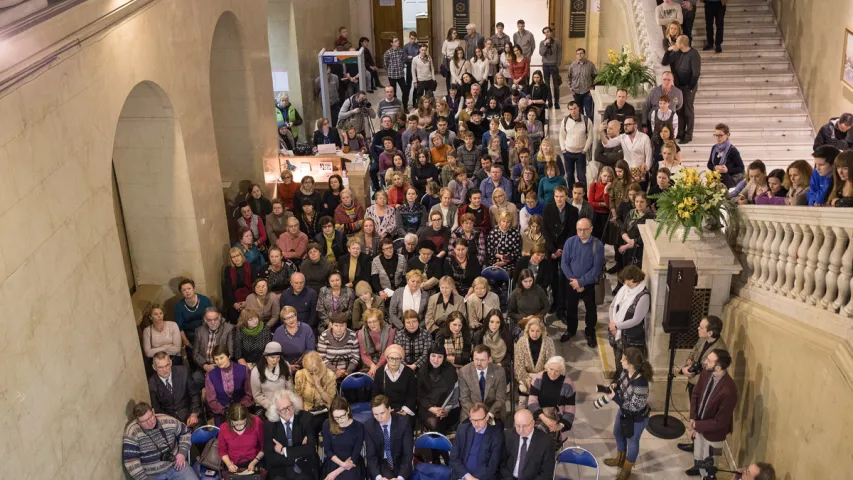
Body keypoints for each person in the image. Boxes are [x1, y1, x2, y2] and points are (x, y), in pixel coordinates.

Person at [674, 316, 728, 452]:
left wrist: (687, 371)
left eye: (701, 327)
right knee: (694, 414)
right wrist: (688, 364)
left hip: (704, 389)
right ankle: (694, 443)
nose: (698, 328)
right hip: (694, 384)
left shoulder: (720, 350)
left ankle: (699, 447)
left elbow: (709, 372)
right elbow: (693, 352)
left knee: (701, 418)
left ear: (710, 333)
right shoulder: (703, 339)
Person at [601, 347, 654, 480]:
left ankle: (627, 469)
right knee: (617, 433)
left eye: (623, 359)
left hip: (637, 418)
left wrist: (615, 397)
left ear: (631, 363)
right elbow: (620, 382)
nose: (620, 360)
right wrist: (615, 385)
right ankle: (620, 459)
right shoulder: (626, 371)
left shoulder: (641, 384)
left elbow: (634, 407)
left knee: (632, 441)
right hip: (624, 412)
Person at [687, 349, 738, 479]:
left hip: (714, 435)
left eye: (709, 361)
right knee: (698, 454)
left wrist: (696, 425)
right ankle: (700, 471)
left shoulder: (729, 390)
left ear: (719, 367)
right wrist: (693, 418)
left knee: (710, 464)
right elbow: (696, 394)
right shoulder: (706, 372)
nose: (705, 362)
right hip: (699, 425)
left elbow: (720, 422)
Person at [560, 218, 605, 345]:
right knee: (571, 308)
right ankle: (571, 330)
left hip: (589, 284)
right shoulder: (570, 242)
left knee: (590, 308)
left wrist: (581, 282)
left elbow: (596, 269)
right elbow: (564, 263)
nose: (582, 232)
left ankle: (590, 331)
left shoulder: (598, 245)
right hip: (571, 282)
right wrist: (574, 281)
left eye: (585, 230)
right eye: (579, 230)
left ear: (591, 229)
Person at [122, 402, 195, 480]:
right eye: (144, 421)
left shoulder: (167, 420)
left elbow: (186, 433)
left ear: (153, 411)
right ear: (138, 422)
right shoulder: (132, 433)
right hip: (152, 475)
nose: (150, 423)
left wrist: (182, 453)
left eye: (150, 417)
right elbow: (131, 462)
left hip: (176, 465)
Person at [264, 390, 319, 480]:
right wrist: (298, 454)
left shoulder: (306, 418)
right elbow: (270, 456)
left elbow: (311, 448)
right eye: (283, 409)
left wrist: (283, 450)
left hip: (304, 467)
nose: (288, 411)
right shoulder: (270, 425)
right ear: (277, 411)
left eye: (289, 406)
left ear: (293, 404)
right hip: (280, 470)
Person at [542, 185, 578, 320]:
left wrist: (561, 250)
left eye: (562, 196)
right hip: (551, 250)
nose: (559, 199)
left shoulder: (573, 211)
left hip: (566, 250)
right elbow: (545, 230)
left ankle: (562, 309)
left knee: (564, 279)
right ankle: (555, 303)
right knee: (553, 279)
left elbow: (572, 232)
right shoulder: (547, 209)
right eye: (557, 196)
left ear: (566, 196)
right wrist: (553, 250)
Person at [527, 356, 577, 448]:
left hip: (557, 419)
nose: (553, 373)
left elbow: (570, 410)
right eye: (551, 369)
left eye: (557, 371)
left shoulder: (568, 384)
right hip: (538, 415)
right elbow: (532, 402)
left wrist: (559, 426)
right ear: (546, 367)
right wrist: (545, 419)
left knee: (547, 442)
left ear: (561, 371)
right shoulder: (538, 378)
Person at [417, 343, 461, 444]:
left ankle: (435, 456)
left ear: (444, 358)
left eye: (439, 357)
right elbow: (420, 396)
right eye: (433, 356)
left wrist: (446, 409)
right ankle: (445, 456)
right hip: (428, 408)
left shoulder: (450, 370)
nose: (436, 360)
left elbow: (455, 393)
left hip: (449, 408)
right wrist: (433, 409)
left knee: (438, 427)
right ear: (429, 356)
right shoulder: (423, 370)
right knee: (435, 425)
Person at [449, 402, 503, 480]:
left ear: (487, 417)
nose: (476, 424)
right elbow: (453, 458)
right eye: (473, 420)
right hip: (461, 476)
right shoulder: (462, 430)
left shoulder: (496, 435)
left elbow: (492, 466)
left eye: (479, 420)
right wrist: (467, 476)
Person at [661, 35, 700, 143]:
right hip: (678, 86)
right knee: (679, 109)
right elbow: (664, 62)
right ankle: (680, 132)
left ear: (682, 44)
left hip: (689, 86)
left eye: (677, 42)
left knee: (688, 110)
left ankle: (688, 135)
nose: (675, 44)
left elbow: (696, 73)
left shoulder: (694, 54)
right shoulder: (677, 52)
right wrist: (669, 51)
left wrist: (690, 88)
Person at [364, 395, 414, 478]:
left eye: (382, 413)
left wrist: (400, 478)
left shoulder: (404, 422)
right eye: (375, 414)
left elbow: (407, 455)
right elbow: (371, 456)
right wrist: (378, 477)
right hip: (381, 464)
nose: (379, 418)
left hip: (400, 463)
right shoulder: (369, 426)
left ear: (390, 409)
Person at [458, 344, 507, 426]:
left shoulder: (499, 372)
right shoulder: (464, 372)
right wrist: (477, 416)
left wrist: (489, 415)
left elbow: (500, 399)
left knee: (494, 434)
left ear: (489, 359)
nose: (478, 363)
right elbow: (464, 399)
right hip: (471, 411)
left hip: (493, 412)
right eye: (476, 359)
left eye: (482, 360)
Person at [500, 408, 556, 480]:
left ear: (533, 423)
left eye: (525, 426)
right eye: (517, 426)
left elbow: (546, 475)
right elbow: (502, 463)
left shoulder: (546, 442)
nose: (521, 430)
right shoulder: (507, 435)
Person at [205, 344, 254, 426]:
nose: (219, 362)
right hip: (222, 416)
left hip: (242, 412)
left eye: (221, 358)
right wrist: (225, 411)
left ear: (229, 356)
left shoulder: (243, 370)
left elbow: (249, 394)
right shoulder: (210, 376)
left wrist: (239, 409)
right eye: (216, 359)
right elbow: (212, 400)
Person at [148, 352, 201, 426]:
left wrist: (194, 414)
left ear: (171, 362)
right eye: (160, 367)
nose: (165, 370)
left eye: (167, 365)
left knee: (199, 434)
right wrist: (169, 423)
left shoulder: (183, 372)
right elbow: (157, 409)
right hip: (169, 420)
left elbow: (195, 394)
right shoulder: (152, 383)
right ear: (154, 367)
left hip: (189, 413)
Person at [319, 397, 365, 480]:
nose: (339, 420)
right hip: (334, 460)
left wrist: (337, 471)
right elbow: (327, 450)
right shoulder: (327, 424)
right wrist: (342, 464)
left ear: (347, 410)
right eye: (336, 418)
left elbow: (356, 453)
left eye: (342, 416)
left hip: (352, 462)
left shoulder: (359, 427)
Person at [293, 350, 336, 433]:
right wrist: (303, 414)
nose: (313, 374)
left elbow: (330, 401)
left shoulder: (330, 375)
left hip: (324, 410)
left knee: (314, 425)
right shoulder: (300, 374)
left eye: (315, 370)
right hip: (306, 409)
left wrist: (319, 386)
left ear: (320, 364)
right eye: (310, 372)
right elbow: (298, 396)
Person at [217, 404, 265, 478]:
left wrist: (254, 462)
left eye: (242, 423)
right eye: (236, 424)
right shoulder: (224, 427)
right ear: (230, 420)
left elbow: (264, 447)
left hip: (255, 461)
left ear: (247, 418)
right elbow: (222, 451)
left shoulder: (256, 422)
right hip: (234, 464)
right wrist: (229, 464)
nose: (239, 427)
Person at [372, 343, 418, 418]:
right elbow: (376, 394)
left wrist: (405, 410)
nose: (394, 361)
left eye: (397, 359)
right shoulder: (380, 372)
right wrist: (384, 410)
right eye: (391, 358)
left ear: (401, 359)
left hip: (404, 409)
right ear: (387, 358)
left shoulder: (409, 372)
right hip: (384, 410)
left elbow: (412, 395)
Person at [515, 318, 555, 404]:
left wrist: (538, 379)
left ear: (542, 331)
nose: (535, 334)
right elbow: (518, 366)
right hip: (525, 376)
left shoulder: (549, 342)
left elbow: (551, 364)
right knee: (522, 403)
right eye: (532, 330)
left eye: (538, 331)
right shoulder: (521, 342)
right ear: (527, 330)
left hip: (542, 377)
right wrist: (528, 380)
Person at [192, 307, 235, 384]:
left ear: (220, 317)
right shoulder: (199, 331)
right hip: (205, 366)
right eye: (209, 320)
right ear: (205, 320)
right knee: (195, 377)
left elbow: (231, 352)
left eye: (215, 319)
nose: (212, 322)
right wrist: (205, 366)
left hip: (223, 365)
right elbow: (195, 353)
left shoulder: (229, 329)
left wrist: (217, 366)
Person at [558, 102, 593, 187]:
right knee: (569, 175)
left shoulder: (586, 120)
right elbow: (561, 135)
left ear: (578, 108)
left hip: (580, 153)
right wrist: (563, 149)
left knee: (581, 176)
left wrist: (584, 150)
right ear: (569, 110)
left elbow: (590, 137)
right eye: (571, 109)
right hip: (568, 153)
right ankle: (571, 194)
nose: (573, 111)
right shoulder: (565, 120)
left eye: (574, 108)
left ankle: (583, 196)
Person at [250, 342, 293, 412]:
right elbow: (257, 395)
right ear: (266, 356)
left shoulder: (286, 366)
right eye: (272, 357)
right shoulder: (256, 371)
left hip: (284, 404)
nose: (275, 360)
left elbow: (289, 388)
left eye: (278, 357)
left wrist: (284, 404)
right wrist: (272, 406)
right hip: (265, 407)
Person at [619, 192, 655, 268]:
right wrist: (629, 242)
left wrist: (627, 246)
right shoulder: (631, 212)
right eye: (637, 201)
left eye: (642, 202)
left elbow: (644, 238)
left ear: (647, 203)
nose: (639, 204)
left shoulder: (650, 216)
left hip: (639, 251)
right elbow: (623, 230)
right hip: (628, 247)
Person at [358, 307, 396, 378]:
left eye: (375, 321)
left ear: (379, 321)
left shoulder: (390, 331)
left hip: (386, 361)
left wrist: (377, 366)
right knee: (366, 377)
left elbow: (387, 352)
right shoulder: (361, 334)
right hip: (369, 363)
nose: (372, 324)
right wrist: (372, 366)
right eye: (369, 322)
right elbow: (364, 355)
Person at [142, 304, 182, 372]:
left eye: (161, 313)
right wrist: (167, 346)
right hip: (157, 362)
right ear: (150, 317)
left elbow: (177, 349)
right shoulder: (147, 331)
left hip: (174, 359)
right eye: (155, 314)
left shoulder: (173, 325)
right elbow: (148, 353)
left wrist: (155, 350)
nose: (159, 316)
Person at [707, 123, 745, 188]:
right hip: (715, 181)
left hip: (727, 183)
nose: (718, 138)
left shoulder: (733, 150)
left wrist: (727, 170)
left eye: (720, 135)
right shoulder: (714, 148)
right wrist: (714, 168)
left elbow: (741, 168)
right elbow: (709, 164)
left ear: (727, 135)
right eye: (716, 135)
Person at [566, 48, 597, 119]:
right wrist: (570, 88)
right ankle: (581, 126)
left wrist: (593, 89)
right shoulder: (573, 65)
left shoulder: (590, 65)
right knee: (579, 111)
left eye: (581, 53)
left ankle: (589, 127)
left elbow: (596, 77)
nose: (579, 55)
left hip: (587, 92)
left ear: (584, 54)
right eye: (577, 54)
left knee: (589, 111)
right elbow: (569, 77)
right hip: (576, 92)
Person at [538, 26, 563, 108]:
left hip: (554, 65)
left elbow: (559, 54)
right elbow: (541, 53)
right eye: (545, 32)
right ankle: (550, 101)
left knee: (556, 85)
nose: (547, 33)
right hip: (545, 65)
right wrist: (545, 45)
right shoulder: (542, 42)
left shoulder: (557, 42)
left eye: (548, 32)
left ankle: (556, 102)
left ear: (551, 32)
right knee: (547, 84)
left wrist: (558, 64)